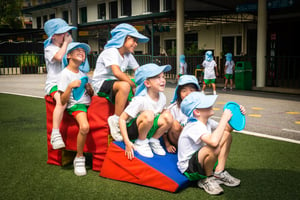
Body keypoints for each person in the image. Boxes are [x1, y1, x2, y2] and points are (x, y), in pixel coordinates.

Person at [177, 92, 246, 195]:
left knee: (226, 135)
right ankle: (207, 179)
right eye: (206, 105)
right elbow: (213, 142)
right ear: (197, 112)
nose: (211, 105)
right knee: (213, 147)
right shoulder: (193, 126)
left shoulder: (207, 121)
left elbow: (227, 129)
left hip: (200, 160)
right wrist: (224, 118)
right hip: (189, 169)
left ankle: (219, 173)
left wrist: (237, 114)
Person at [92, 23, 149, 141]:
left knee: (138, 84)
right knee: (125, 85)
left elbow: (139, 72)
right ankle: (116, 119)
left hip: (114, 83)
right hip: (101, 84)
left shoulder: (127, 54)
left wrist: (148, 79)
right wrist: (133, 85)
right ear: (126, 38)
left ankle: (135, 116)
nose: (136, 44)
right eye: (134, 40)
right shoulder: (111, 51)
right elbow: (117, 72)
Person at [119, 63, 173, 160]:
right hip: (134, 131)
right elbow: (122, 119)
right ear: (147, 83)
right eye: (158, 77)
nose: (163, 80)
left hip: (149, 128)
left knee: (168, 115)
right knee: (149, 114)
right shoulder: (140, 100)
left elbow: (160, 118)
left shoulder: (162, 97)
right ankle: (141, 142)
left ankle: (154, 140)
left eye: (163, 77)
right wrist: (127, 142)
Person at [58, 42, 94, 176]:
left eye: (83, 51)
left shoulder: (83, 73)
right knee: (84, 127)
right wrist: (69, 87)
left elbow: (89, 94)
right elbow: (62, 100)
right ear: (68, 55)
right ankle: (79, 157)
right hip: (77, 106)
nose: (81, 52)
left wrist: (90, 90)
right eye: (77, 50)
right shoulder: (65, 74)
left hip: (89, 104)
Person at [44, 18, 76, 150]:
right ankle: (55, 133)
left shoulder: (67, 47)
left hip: (69, 82)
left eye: (67, 32)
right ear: (53, 36)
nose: (66, 35)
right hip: (55, 84)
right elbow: (58, 57)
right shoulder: (49, 48)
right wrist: (66, 43)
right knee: (62, 100)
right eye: (63, 33)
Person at [164, 75, 200, 153]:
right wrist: (167, 145)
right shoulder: (174, 108)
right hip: (178, 140)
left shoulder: (202, 107)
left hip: (195, 140)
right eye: (184, 91)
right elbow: (164, 130)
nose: (188, 94)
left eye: (192, 90)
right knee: (175, 124)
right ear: (179, 93)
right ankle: (184, 150)